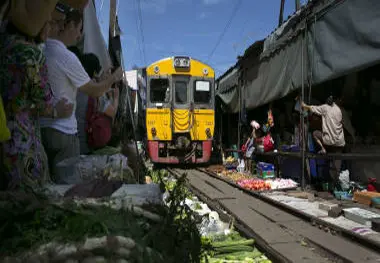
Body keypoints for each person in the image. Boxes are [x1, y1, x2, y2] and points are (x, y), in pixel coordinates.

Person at [40, 9, 123, 180]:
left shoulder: (40, 50)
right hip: (64, 131)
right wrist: (113, 78)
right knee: (66, 186)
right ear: (68, 25)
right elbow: (95, 90)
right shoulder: (65, 56)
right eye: (79, 30)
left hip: (40, 128)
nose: (79, 37)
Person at [0, 0, 74, 189]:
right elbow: (45, 103)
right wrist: (58, 111)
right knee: (28, 200)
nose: (51, 28)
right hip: (23, 143)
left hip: (4, 134)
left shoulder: (4, 44)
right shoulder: (32, 55)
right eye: (49, 23)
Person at [76, 53, 120, 154]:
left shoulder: (77, 86)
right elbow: (112, 112)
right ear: (95, 72)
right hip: (87, 144)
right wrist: (116, 98)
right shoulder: (96, 91)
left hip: (73, 141)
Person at [302, 95, 345, 185]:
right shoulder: (338, 110)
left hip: (329, 140)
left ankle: (323, 149)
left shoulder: (325, 108)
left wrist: (304, 105)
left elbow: (313, 108)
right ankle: (335, 183)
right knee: (336, 165)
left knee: (315, 134)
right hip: (339, 142)